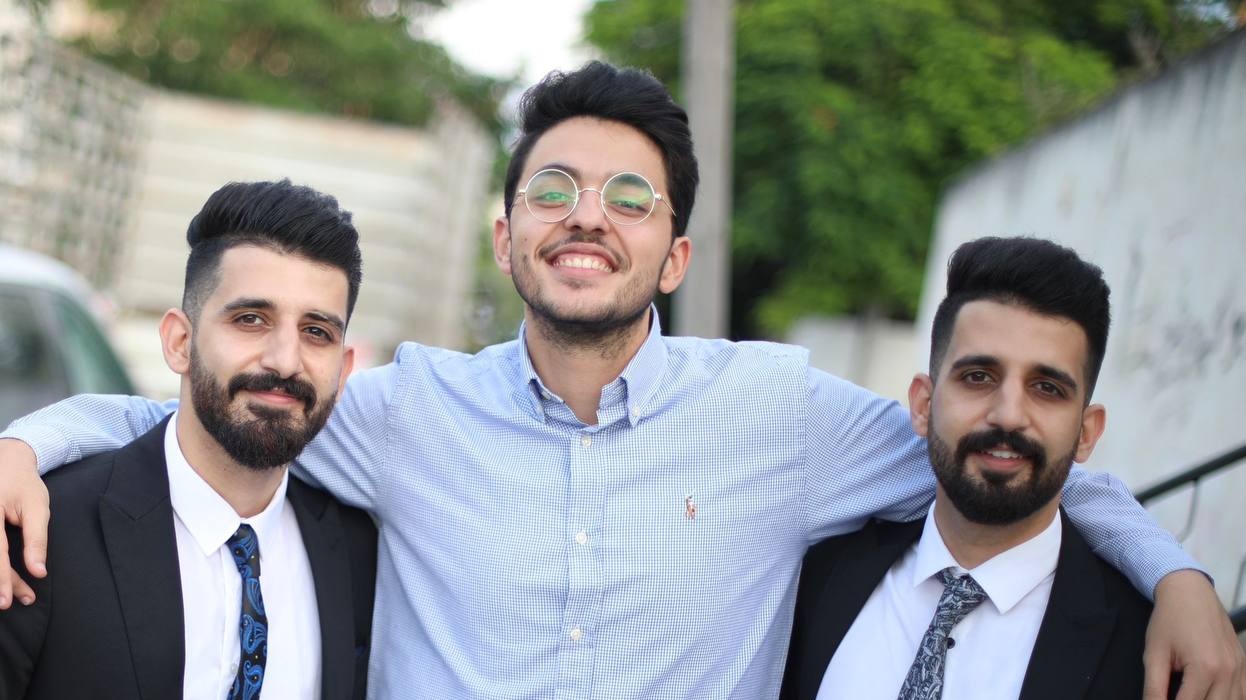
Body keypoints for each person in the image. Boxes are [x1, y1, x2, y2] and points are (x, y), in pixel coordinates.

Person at [0, 62, 1242, 699]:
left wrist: (1176, 574)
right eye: (553, 190)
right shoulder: (406, 408)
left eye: (629, 197)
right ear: (506, 239)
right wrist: (24, 444)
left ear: (675, 256)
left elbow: (999, 451)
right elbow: (207, 409)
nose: (586, 216)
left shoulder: (781, 415)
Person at [0, 180, 378, 699]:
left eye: (317, 332)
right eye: (251, 319)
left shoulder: (359, 553)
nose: (285, 361)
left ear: (344, 367)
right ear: (180, 341)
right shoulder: (41, 529)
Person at [782, 237, 1157, 700]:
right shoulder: (816, 578)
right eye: (978, 377)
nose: (1008, 415)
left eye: (1047, 388)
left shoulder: (1147, 650)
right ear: (923, 404)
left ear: (1086, 432)